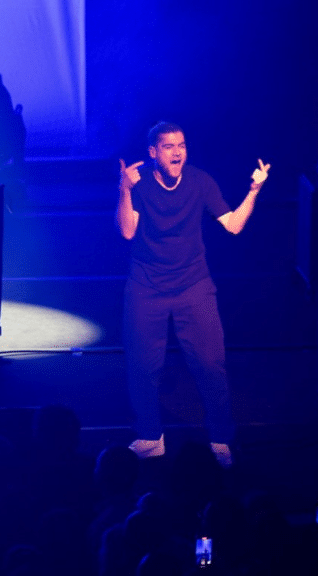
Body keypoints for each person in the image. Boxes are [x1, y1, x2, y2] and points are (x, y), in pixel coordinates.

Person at [116, 121, 270, 467]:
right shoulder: (139, 186)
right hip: (147, 285)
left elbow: (232, 224)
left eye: (181, 145)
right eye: (169, 146)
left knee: (211, 363)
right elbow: (127, 232)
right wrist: (123, 189)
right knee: (143, 364)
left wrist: (254, 191)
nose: (177, 152)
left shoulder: (200, 182)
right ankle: (150, 436)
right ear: (153, 152)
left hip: (193, 284)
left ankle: (220, 438)